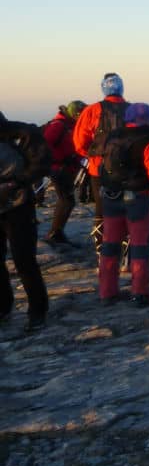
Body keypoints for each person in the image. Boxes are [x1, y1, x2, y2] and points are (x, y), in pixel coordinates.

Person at [97, 103, 149, 307]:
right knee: (139, 245)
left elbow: (102, 165)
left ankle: (107, 292)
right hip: (137, 197)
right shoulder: (148, 141)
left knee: (109, 245)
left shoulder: (113, 137)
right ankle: (140, 292)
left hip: (110, 196)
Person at [0, 111, 52, 332]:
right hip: (16, 203)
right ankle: (4, 307)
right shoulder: (21, 134)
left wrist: (13, 183)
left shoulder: (19, 135)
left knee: (24, 260)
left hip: (18, 205)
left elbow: (39, 164)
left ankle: (37, 310)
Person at [73, 73, 129, 249]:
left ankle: (102, 254)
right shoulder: (132, 109)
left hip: (99, 168)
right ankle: (126, 254)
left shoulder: (92, 110)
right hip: (127, 168)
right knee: (126, 208)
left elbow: (79, 142)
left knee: (101, 208)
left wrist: (93, 155)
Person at [42, 100, 86, 246]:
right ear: (74, 113)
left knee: (67, 200)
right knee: (66, 200)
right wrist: (62, 159)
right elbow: (46, 146)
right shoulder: (58, 126)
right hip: (59, 168)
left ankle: (57, 233)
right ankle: (54, 234)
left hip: (67, 168)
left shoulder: (69, 125)